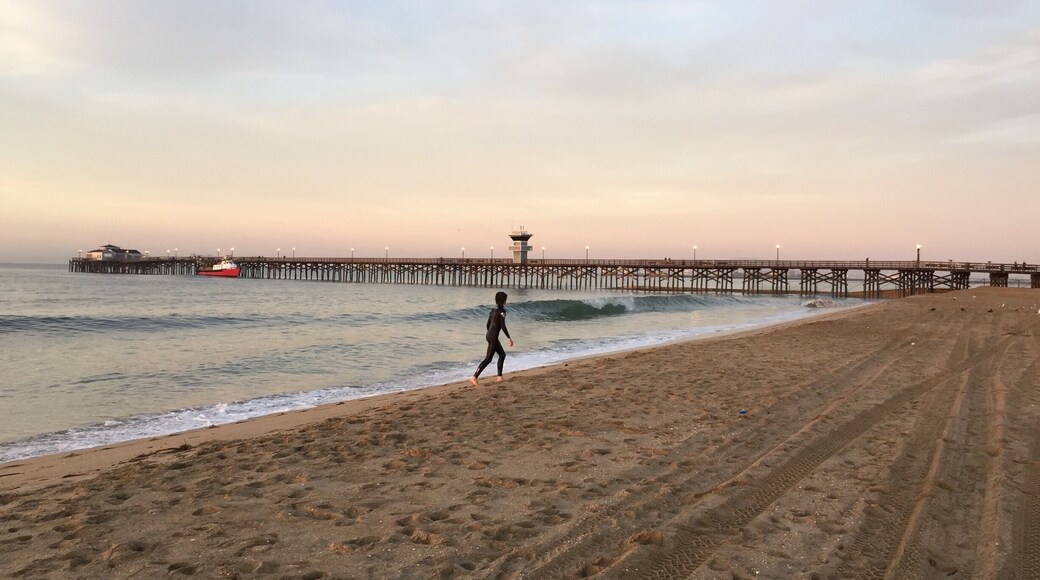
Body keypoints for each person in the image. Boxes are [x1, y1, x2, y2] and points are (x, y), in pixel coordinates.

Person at [471, 291, 513, 386]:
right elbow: (502, 325)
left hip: (489, 335)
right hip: (493, 337)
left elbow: (487, 324)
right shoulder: (502, 312)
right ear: (504, 301)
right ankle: (474, 377)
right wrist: (509, 338)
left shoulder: (492, 311)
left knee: (502, 354)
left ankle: (499, 377)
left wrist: (490, 334)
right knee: (488, 359)